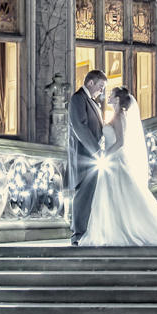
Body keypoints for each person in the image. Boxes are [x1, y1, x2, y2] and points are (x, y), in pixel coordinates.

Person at [80, 86, 157, 247]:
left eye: (111, 95)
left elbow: (121, 142)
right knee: (113, 196)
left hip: (115, 160)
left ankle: (125, 229)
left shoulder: (119, 117)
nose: (108, 97)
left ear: (117, 99)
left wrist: (105, 155)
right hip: (113, 160)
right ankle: (112, 229)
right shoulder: (116, 115)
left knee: (120, 194)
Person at [67, 69, 107, 245]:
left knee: (91, 195)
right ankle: (78, 235)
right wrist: (97, 151)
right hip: (84, 156)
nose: (102, 91)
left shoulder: (93, 102)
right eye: (100, 86)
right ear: (90, 83)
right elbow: (80, 127)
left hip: (92, 156)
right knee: (83, 195)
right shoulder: (78, 99)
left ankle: (88, 233)